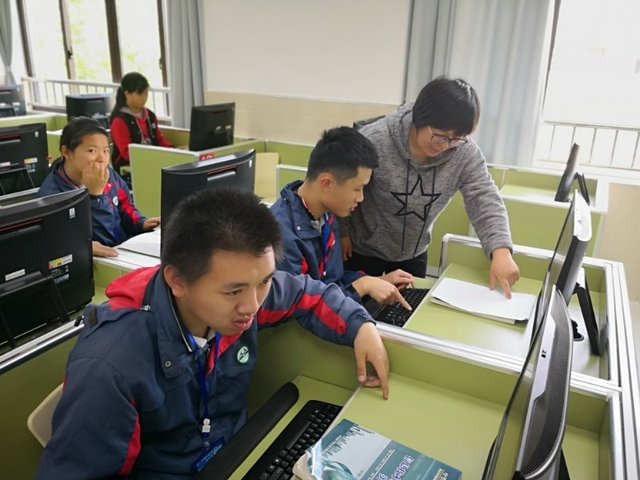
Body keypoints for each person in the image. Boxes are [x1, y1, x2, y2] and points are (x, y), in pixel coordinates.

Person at [36, 187, 389, 479]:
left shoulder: (240, 295)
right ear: (177, 281)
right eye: (234, 291)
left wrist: (361, 326)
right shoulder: (110, 367)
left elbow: (305, 293)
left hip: (234, 457)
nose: (252, 305)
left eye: (264, 282)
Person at [341, 76, 520, 298]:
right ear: (420, 117)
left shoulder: (464, 152)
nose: (445, 145)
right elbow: (344, 186)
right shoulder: (375, 139)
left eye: (456, 138)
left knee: (406, 312)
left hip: (413, 253)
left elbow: (484, 197)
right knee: (358, 310)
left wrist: (501, 252)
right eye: (440, 136)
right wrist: (342, 230)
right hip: (361, 249)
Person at [271, 126, 414, 309]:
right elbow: (298, 308)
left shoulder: (326, 215)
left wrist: (376, 281)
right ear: (326, 183)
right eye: (357, 188)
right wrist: (361, 287)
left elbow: (331, 281)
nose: (361, 198)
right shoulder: (282, 235)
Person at [38, 117, 160, 257]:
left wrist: (141, 223)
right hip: (102, 260)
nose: (101, 158)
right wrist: (96, 196)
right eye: (92, 151)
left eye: (106, 151)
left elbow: (125, 206)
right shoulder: (52, 196)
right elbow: (104, 239)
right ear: (66, 152)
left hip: (124, 250)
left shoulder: (108, 174)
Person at [110, 71, 173, 177]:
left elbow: (159, 138)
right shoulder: (119, 120)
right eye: (140, 94)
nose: (144, 97)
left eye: (146, 93)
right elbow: (127, 154)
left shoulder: (150, 115)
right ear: (127, 94)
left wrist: (173, 151)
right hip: (129, 168)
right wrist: (157, 156)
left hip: (152, 161)